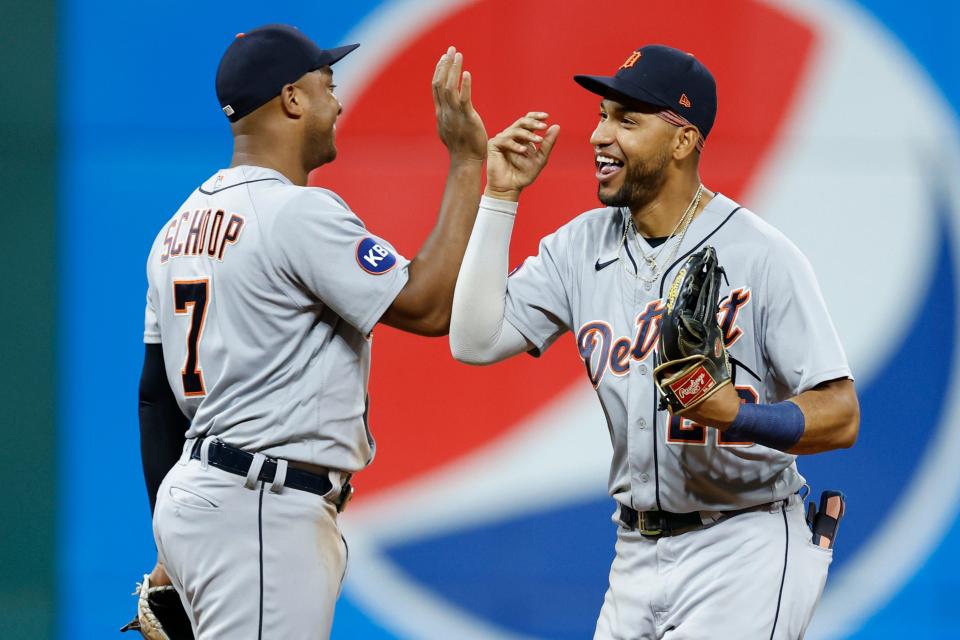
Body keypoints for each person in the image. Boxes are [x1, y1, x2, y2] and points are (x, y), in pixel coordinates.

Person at [449, 44, 859, 639]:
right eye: (601, 115)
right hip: (634, 549)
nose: (599, 135)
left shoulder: (762, 255)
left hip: (743, 543)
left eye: (626, 120)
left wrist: (737, 417)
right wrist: (501, 195)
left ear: (683, 141)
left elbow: (842, 415)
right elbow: (475, 339)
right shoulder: (580, 246)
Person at [137, 24, 487, 638]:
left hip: (201, 496)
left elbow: (155, 397)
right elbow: (430, 307)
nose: (339, 102)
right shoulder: (294, 212)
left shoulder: (177, 230)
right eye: (327, 85)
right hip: (261, 509)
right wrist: (465, 162)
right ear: (292, 100)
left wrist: (169, 547)